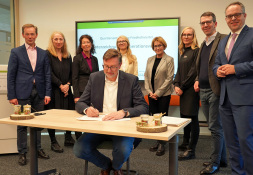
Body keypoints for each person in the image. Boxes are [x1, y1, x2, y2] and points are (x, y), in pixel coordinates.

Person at [73, 49, 149, 175]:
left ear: (119, 65)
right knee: (79, 149)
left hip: (122, 127)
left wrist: (124, 112)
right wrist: (87, 110)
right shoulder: (94, 78)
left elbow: (143, 107)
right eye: (106, 66)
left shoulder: (131, 80)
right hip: (99, 125)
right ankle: (108, 165)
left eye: (113, 67)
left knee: (123, 149)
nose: (108, 70)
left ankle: (116, 166)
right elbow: (80, 103)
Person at [213, 2, 253, 174]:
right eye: (230, 16)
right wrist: (218, 71)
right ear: (225, 19)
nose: (233, 18)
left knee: (246, 140)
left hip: (245, 97)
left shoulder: (251, 34)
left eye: (237, 14)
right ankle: (237, 171)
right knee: (231, 141)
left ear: (244, 15)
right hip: (225, 98)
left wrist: (235, 69)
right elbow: (216, 64)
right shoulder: (223, 41)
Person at [7, 24, 51, 166]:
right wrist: (12, 95)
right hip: (21, 93)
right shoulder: (16, 52)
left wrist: (48, 93)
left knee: (38, 123)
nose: (30, 37)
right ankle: (22, 152)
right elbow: (11, 75)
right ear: (23, 35)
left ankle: (38, 149)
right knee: (22, 124)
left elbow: (47, 75)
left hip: (39, 91)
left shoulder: (43, 53)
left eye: (32, 34)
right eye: (27, 34)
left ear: (36, 35)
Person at [195, 12, 228, 175]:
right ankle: (222, 159)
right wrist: (197, 79)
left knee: (215, 127)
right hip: (203, 89)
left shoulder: (223, 39)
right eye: (202, 23)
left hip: (216, 89)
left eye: (208, 22)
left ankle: (215, 163)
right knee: (214, 126)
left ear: (215, 23)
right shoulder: (204, 43)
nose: (205, 25)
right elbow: (201, 66)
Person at [46, 31, 81, 152]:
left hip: (67, 90)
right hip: (54, 90)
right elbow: (48, 73)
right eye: (56, 39)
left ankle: (68, 137)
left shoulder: (68, 55)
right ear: (52, 41)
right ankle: (53, 141)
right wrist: (60, 85)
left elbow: (73, 73)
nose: (58, 41)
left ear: (64, 41)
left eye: (61, 39)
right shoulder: (47, 54)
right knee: (52, 117)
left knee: (69, 113)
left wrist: (67, 85)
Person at [144, 36, 174, 156]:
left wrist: (158, 93)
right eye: (155, 46)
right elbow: (146, 76)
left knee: (162, 119)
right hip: (152, 94)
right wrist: (149, 91)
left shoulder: (169, 59)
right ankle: (157, 141)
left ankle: (162, 143)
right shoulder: (150, 59)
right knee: (154, 118)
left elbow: (169, 78)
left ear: (164, 46)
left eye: (159, 45)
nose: (157, 48)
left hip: (164, 94)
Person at [174, 27, 200, 161]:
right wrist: (176, 84)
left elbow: (194, 72)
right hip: (182, 90)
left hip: (190, 90)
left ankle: (191, 150)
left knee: (192, 118)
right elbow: (179, 71)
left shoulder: (196, 51)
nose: (186, 37)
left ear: (193, 36)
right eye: (184, 34)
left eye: (189, 34)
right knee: (184, 116)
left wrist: (182, 87)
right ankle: (185, 143)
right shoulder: (183, 51)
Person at [72, 34, 99, 104]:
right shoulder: (77, 58)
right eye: (83, 43)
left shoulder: (95, 59)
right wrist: (76, 96)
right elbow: (74, 78)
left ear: (91, 44)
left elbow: (97, 77)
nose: (86, 44)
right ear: (81, 46)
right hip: (81, 92)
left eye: (88, 42)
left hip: (93, 91)